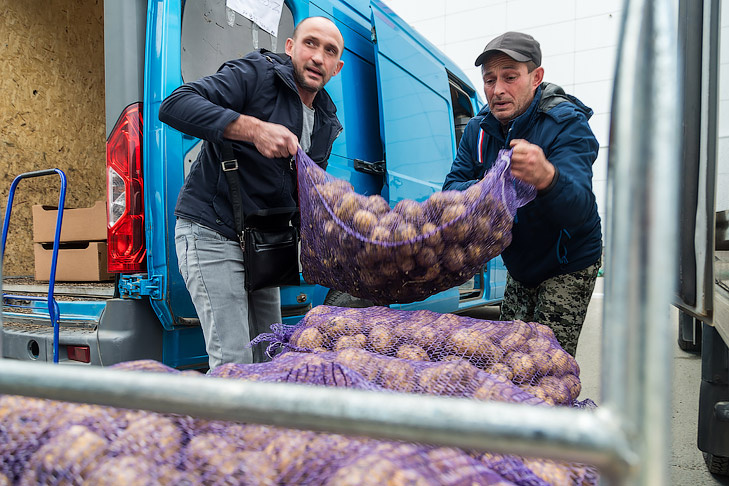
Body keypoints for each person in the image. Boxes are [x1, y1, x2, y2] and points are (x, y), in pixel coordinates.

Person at [158, 17, 345, 370]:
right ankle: (227, 426)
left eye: (329, 51)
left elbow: (304, 196)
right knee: (234, 362)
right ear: (290, 47)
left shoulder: (325, 122)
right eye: (310, 43)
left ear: (337, 67)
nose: (318, 57)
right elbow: (175, 105)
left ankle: (261, 426)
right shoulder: (257, 73)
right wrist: (253, 129)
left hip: (263, 246)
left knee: (270, 353)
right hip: (213, 231)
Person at [443, 32, 602, 356]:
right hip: (520, 263)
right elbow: (451, 188)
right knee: (508, 355)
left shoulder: (566, 124)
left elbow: (578, 209)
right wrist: (490, 183)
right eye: (489, 80)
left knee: (546, 364)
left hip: (568, 262)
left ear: (536, 77)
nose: (497, 90)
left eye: (510, 77)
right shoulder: (479, 129)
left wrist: (547, 178)